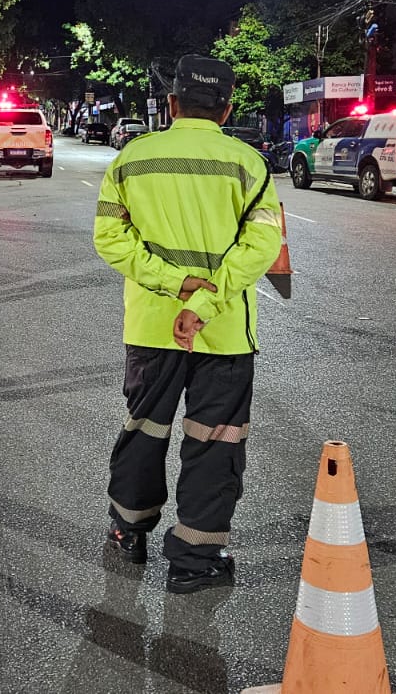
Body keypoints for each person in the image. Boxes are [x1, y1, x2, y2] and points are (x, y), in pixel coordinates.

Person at [91, 54, 284, 594]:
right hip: (222, 334)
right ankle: (194, 562)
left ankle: (128, 535)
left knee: (144, 430)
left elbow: (110, 239)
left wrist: (175, 286)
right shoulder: (248, 163)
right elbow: (263, 245)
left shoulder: (133, 158)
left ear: (172, 104)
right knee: (215, 442)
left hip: (152, 330)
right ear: (225, 109)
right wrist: (206, 300)